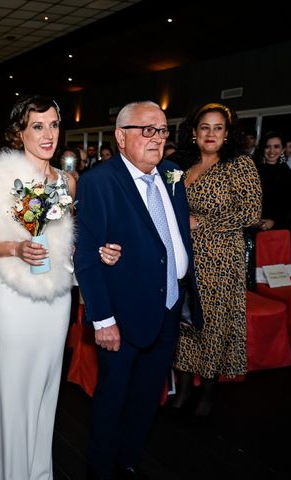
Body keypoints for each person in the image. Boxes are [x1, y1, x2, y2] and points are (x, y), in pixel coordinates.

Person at [0, 95, 121, 479]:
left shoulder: (67, 180)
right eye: (37, 126)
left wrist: (97, 253)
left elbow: (67, 240)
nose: (48, 134)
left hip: (55, 298)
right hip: (14, 297)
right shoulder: (1, 176)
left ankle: (37, 470)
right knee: (12, 389)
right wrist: (14, 247)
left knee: (44, 387)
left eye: (54, 125)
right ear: (19, 131)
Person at [75, 101, 202, 480]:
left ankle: (128, 458)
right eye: (147, 130)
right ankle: (99, 469)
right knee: (113, 398)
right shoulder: (100, 181)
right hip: (122, 313)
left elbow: (173, 234)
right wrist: (103, 320)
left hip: (168, 306)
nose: (157, 138)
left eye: (162, 130)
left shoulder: (172, 173)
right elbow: (86, 257)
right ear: (121, 136)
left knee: (148, 396)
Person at [171, 102, 261, 417]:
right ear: (194, 133)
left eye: (217, 128)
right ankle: (182, 391)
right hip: (184, 256)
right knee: (184, 320)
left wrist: (203, 223)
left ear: (226, 134)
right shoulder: (180, 166)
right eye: (204, 127)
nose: (210, 133)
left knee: (211, 323)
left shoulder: (239, 165)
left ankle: (207, 395)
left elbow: (251, 213)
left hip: (221, 259)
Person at [253, 131, 291, 232]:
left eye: (276, 147)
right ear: (263, 149)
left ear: (283, 149)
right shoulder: (252, 171)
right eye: (268, 146)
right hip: (252, 226)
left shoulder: (287, 174)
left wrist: (274, 221)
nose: (271, 151)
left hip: (278, 229)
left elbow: (289, 205)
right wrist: (253, 220)